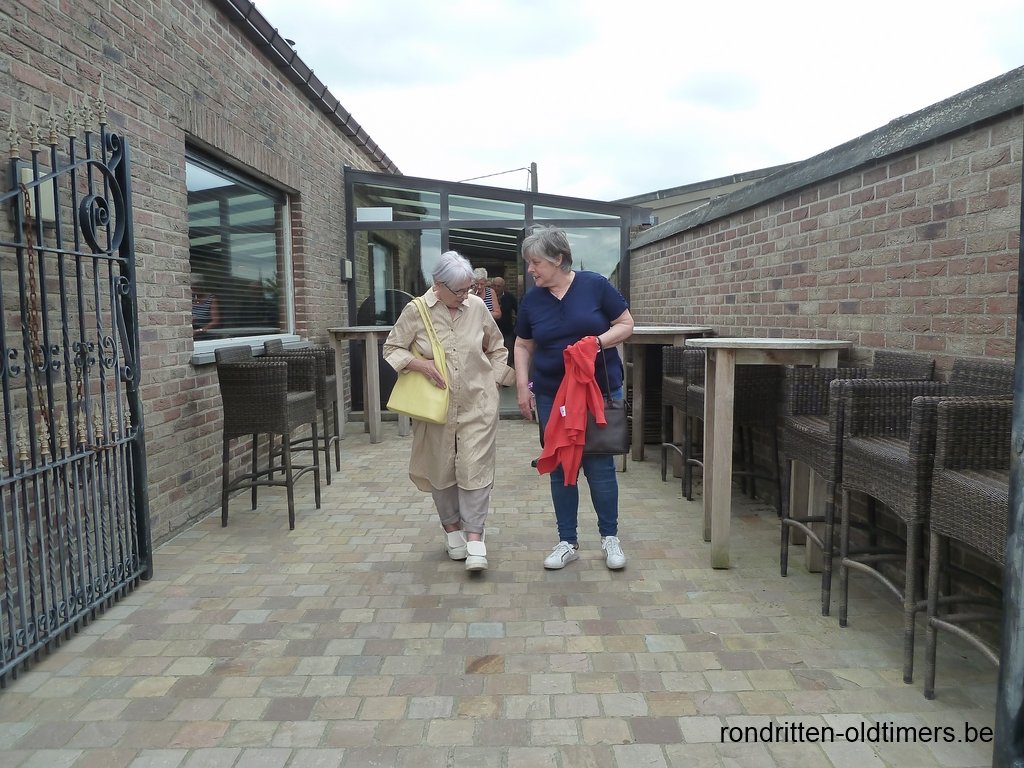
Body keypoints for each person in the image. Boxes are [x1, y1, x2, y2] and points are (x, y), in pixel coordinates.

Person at [384, 251, 514, 572]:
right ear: (438, 284)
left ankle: (475, 536)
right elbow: (392, 348)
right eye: (459, 291)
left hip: (477, 403)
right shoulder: (416, 311)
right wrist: (421, 365)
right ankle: (452, 528)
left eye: (469, 289)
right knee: (441, 468)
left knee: (474, 467)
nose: (465, 295)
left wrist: (494, 383)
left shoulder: (477, 307)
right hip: (436, 407)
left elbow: (498, 348)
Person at [514, 226, 634, 570]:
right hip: (552, 394)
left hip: (599, 391)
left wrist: (596, 342)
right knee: (560, 464)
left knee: (599, 465)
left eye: (536, 262)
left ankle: (610, 538)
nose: (531, 270)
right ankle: (567, 541)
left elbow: (626, 324)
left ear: (558, 259)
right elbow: (523, 344)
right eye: (529, 263)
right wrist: (522, 386)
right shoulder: (533, 300)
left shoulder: (595, 285)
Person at [491, 276, 518, 364]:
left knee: (508, 354)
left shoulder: (509, 297)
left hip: (507, 331)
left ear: (503, 287)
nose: (496, 288)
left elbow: (518, 311)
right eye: (494, 285)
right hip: (492, 332)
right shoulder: (488, 297)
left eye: (498, 286)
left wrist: (516, 326)